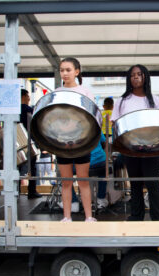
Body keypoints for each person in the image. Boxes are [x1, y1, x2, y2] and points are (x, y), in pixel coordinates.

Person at [111, 64, 159, 221]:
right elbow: (115, 124)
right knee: (135, 184)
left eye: (139, 74)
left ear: (145, 77)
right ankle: (137, 216)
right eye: (132, 75)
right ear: (129, 79)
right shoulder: (122, 101)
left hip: (151, 148)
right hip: (131, 148)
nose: (135, 77)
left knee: (152, 183)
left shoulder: (155, 100)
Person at [55, 57, 96, 222]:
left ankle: (89, 217)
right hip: (62, 141)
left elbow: (91, 117)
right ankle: (67, 217)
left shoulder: (85, 92)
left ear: (76, 72)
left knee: (83, 181)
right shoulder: (57, 92)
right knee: (66, 182)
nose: (65, 73)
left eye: (68, 70)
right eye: (62, 70)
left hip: (81, 141)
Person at [19, 89, 42, 199]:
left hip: (16, 142)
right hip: (29, 141)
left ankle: (16, 192)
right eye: (27, 96)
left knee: (16, 168)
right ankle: (31, 191)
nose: (29, 98)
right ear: (23, 96)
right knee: (32, 168)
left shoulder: (14, 111)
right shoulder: (30, 110)